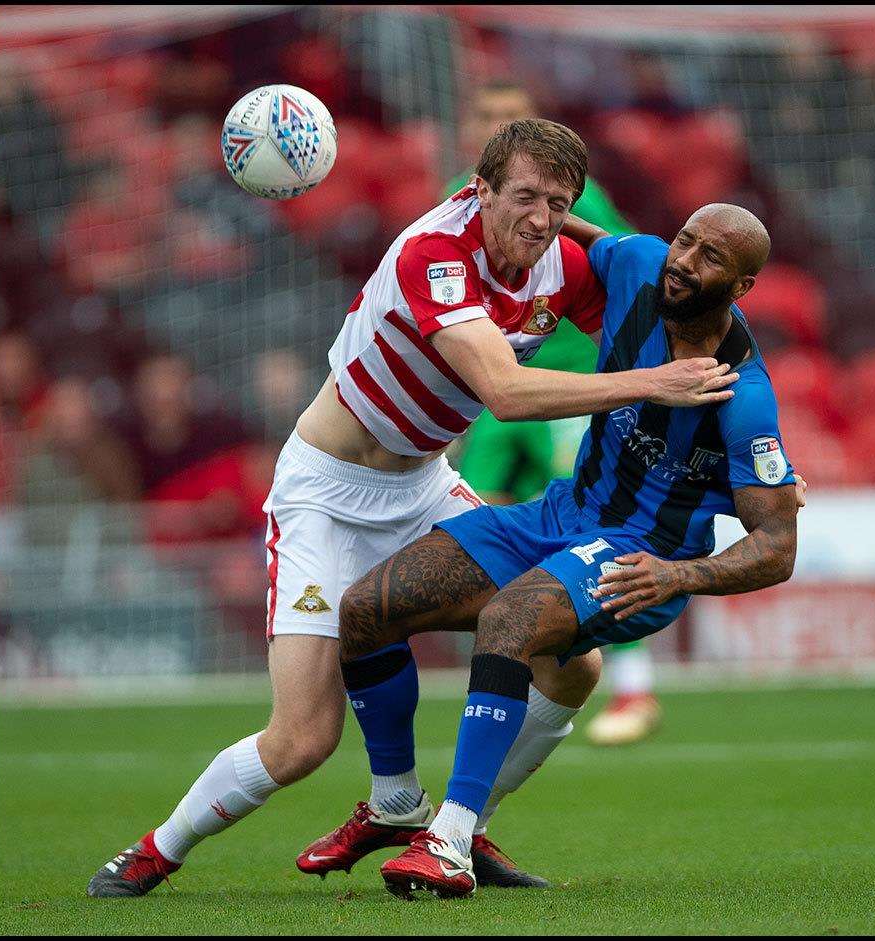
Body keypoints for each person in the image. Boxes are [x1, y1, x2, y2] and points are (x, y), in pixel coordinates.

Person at [86, 119, 739, 898]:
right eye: (524, 197)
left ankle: (454, 828)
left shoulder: (557, 264)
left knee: (573, 662)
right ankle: (157, 848)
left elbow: (650, 320)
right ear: (479, 190)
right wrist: (652, 385)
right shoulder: (436, 254)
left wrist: (750, 451)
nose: (539, 218)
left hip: (424, 483)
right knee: (302, 739)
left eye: (557, 204)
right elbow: (507, 390)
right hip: (325, 495)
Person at [333, 203, 800, 899]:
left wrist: (678, 574)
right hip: (559, 512)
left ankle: (452, 840)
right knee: (367, 607)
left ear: (742, 286)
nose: (684, 261)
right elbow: (587, 235)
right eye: (686, 240)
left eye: (710, 258)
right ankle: (398, 798)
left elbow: (778, 546)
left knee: (509, 621)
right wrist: (519, 206)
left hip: (640, 554)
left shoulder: (745, 398)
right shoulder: (642, 260)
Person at [448, 79, 666, 748]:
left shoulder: (569, 194)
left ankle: (632, 684)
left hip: (566, 384)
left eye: (507, 116)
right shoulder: (466, 195)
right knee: (469, 520)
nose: (494, 125)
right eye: (485, 115)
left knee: (586, 527)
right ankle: (512, 655)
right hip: (502, 386)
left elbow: (625, 267)